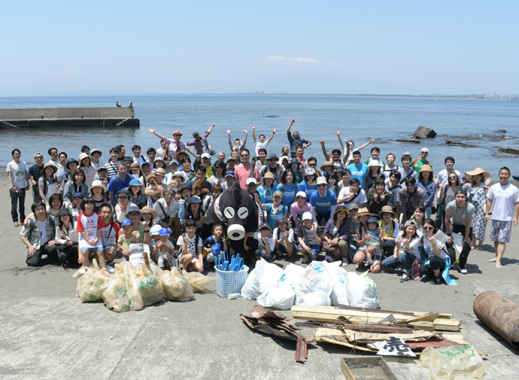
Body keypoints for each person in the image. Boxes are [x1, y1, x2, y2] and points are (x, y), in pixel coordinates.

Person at [485, 167, 519, 268]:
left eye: (506, 174)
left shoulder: (514, 189)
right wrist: (486, 213)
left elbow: (517, 204)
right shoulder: (493, 187)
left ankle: (498, 260)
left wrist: (516, 217)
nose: (503, 176)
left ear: (509, 176)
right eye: (502, 174)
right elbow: (489, 201)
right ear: (499, 175)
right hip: (495, 217)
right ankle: (496, 256)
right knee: (495, 239)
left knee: (502, 240)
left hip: (507, 218)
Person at [445, 190, 474, 274]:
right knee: (448, 242)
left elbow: (468, 224)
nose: (460, 199)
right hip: (455, 224)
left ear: (465, 198)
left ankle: (462, 264)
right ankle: (453, 261)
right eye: (458, 197)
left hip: (466, 226)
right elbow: (447, 220)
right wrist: (449, 234)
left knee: (467, 245)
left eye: (462, 197)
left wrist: (466, 237)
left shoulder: (470, 207)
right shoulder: (450, 205)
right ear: (455, 197)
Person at [465, 168, 489, 249]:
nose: (476, 177)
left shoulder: (484, 187)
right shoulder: (470, 186)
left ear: (481, 176)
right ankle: (473, 243)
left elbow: (486, 201)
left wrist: (486, 213)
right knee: (472, 227)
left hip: (481, 209)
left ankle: (480, 244)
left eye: (478, 175)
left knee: (480, 227)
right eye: (475, 176)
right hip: (471, 209)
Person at [77, 198, 103, 270]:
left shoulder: (97, 216)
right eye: (87, 203)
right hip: (85, 239)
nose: (89, 206)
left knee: (100, 252)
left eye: (91, 204)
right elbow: (82, 231)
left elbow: (99, 229)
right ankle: (86, 269)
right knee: (85, 252)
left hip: (96, 238)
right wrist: (88, 240)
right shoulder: (80, 217)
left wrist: (97, 238)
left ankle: (103, 269)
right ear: (83, 205)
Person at [7, 148, 29, 227]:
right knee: (14, 205)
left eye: (18, 154)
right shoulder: (10, 164)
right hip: (14, 188)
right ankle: (15, 220)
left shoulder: (23, 163)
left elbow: (26, 173)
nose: (17, 155)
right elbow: (9, 175)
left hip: (22, 187)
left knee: (22, 205)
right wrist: (11, 185)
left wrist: (28, 183)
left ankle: (22, 220)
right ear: (13, 155)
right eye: (16, 154)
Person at [97, 203, 120, 271]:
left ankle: (108, 263)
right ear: (99, 213)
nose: (106, 215)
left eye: (109, 212)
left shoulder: (116, 225)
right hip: (98, 247)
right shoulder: (95, 225)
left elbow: (119, 240)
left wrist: (114, 247)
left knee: (110, 252)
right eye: (104, 212)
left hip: (110, 247)